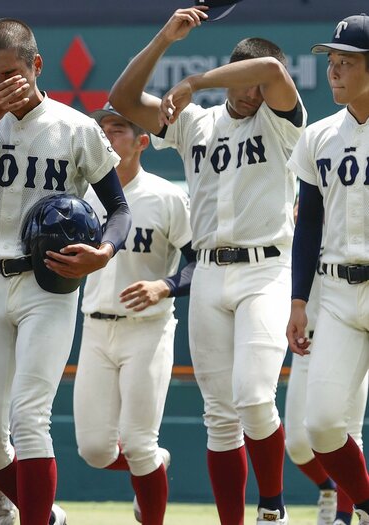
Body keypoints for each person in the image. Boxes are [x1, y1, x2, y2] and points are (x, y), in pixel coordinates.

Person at [109, 6, 306, 525]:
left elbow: (271, 72)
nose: (250, 94)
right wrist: (164, 41)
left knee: (255, 397)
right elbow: (122, 100)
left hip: (267, 269)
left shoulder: (283, 121)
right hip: (210, 271)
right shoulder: (196, 122)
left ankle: (272, 506)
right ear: (228, 81)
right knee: (219, 418)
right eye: (240, 82)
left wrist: (192, 79)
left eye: (255, 85)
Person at [0, 18, 131, 525]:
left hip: (50, 282)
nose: (2, 85)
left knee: (29, 416)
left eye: (13, 73)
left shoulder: (75, 126)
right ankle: (46, 515)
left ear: (36, 65)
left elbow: (119, 210)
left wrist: (105, 253)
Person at [73, 103, 194, 525]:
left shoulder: (167, 196)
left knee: (140, 443)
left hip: (148, 329)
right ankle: (153, 466)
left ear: (143, 141)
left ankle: (150, 490)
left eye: (118, 128)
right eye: (102, 127)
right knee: (94, 450)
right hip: (95, 327)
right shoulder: (82, 195)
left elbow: (200, 262)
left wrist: (166, 285)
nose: (107, 135)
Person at [285, 13, 369, 525]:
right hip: (336, 291)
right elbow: (308, 226)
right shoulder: (318, 136)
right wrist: (298, 301)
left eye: (347, 62)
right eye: (332, 61)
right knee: (321, 427)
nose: (334, 71)